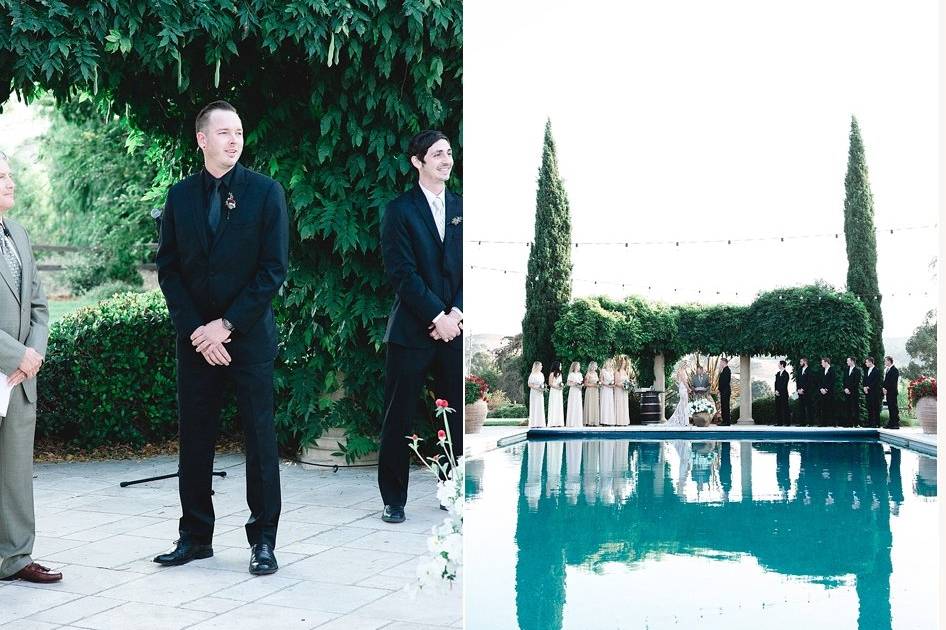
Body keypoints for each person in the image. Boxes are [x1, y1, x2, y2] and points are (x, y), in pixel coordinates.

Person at [154, 101, 289, 575]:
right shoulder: (180, 196)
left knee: (260, 440)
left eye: (239, 131)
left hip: (247, 340)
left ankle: (264, 541)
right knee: (195, 439)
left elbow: (273, 271)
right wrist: (197, 330)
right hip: (196, 343)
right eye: (224, 132)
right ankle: (194, 536)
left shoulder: (266, 193)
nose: (234, 139)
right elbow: (169, 270)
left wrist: (226, 326)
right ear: (202, 140)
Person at [377, 130, 462, 524]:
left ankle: (452, 489)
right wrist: (436, 316)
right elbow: (402, 273)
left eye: (449, 153)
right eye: (438, 154)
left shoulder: (464, 207)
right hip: (412, 331)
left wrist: (457, 312)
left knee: (454, 414)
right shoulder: (399, 210)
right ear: (417, 161)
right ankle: (393, 500)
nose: (446, 160)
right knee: (400, 415)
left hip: (456, 331)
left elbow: (467, 268)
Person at [0, 151, 57, 584]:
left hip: (20, 379)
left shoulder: (17, 233)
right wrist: (13, 354)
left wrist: (31, 355)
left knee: (15, 472)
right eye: (0, 176)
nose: (10, 181)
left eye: (10, 174)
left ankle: (16, 559)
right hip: (8, 363)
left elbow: (39, 304)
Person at [862, 357, 882, 428]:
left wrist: (868, 387)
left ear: (871, 362)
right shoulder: (867, 370)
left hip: (874, 392)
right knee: (869, 407)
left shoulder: (876, 370)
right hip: (867, 392)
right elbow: (864, 380)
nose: (866, 363)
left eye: (867, 362)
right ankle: (870, 423)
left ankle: (876, 423)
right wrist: (864, 387)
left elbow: (876, 381)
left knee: (875, 407)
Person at [842, 356, 862, 428]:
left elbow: (856, 382)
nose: (847, 362)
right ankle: (848, 423)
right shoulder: (846, 370)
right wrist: (845, 388)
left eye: (848, 361)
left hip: (854, 392)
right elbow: (844, 380)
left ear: (852, 361)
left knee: (855, 407)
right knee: (847, 407)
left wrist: (849, 389)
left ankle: (856, 423)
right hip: (846, 392)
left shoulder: (857, 370)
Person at [883, 356, 901, 429]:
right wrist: (884, 388)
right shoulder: (887, 370)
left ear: (889, 361)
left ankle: (895, 423)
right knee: (890, 407)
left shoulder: (895, 370)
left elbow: (893, 382)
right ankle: (891, 423)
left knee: (894, 407)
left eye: (885, 361)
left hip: (892, 392)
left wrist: (887, 389)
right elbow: (886, 381)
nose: (884, 362)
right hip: (888, 392)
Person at [795, 357, 814, 426]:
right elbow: (797, 381)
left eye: (801, 362)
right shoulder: (799, 370)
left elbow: (809, 382)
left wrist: (803, 389)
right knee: (801, 407)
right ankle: (802, 423)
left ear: (805, 362)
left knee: (809, 407)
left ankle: (810, 423)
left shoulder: (809, 370)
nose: (800, 363)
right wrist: (798, 389)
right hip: (800, 392)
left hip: (807, 392)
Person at [527, 361, 546, 428]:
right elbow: (529, 384)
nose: (542, 367)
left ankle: (540, 423)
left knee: (540, 406)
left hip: (540, 393)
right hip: (534, 392)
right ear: (537, 366)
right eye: (540, 365)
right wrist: (537, 388)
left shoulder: (541, 374)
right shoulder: (532, 374)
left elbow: (542, 383)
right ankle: (534, 423)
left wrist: (543, 388)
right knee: (534, 406)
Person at [613, 356, 631, 427]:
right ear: (620, 363)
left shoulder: (625, 372)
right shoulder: (617, 372)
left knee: (625, 405)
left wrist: (628, 385)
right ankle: (619, 422)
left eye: (625, 363)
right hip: (619, 390)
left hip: (624, 391)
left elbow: (627, 381)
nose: (624, 364)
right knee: (620, 405)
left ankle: (624, 421)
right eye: (623, 363)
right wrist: (622, 385)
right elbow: (616, 383)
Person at [565, 361, 584, 427]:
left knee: (578, 405)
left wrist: (580, 385)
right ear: (575, 366)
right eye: (578, 365)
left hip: (578, 391)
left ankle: (578, 422)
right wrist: (575, 384)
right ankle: (571, 423)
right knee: (572, 405)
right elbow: (568, 383)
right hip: (573, 391)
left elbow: (581, 382)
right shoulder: (571, 374)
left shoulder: (580, 374)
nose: (579, 367)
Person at [818, 357, 835, 426]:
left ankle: (833, 423)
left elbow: (832, 381)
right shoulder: (821, 370)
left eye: (822, 362)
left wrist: (826, 389)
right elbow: (819, 380)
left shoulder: (832, 370)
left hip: (829, 392)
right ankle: (823, 423)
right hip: (822, 392)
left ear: (826, 362)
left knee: (831, 407)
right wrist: (821, 389)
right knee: (823, 407)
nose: (821, 364)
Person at [546, 361, 565, 427]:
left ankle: (559, 422)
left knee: (558, 405)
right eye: (560, 365)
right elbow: (550, 383)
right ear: (557, 366)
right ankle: (552, 422)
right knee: (553, 405)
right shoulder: (552, 374)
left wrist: (561, 386)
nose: (561, 367)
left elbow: (560, 382)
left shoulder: (560, 374)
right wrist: (556, 387)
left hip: (559, 392)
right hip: (554, 391)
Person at [598, 359, 616, 425]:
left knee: (610, 404)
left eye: (611, 363)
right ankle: (604, 421)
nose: (611, 364)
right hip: (605, 389)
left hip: (610, 389)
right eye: (610, 362)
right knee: (605, 403)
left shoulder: (612, 371)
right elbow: (601, 381)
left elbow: (613, 380)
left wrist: (612, 384)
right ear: (607, 363)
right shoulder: (603, 371)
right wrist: (607, 385)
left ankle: (610, 421)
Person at [583, 361, 600, 426]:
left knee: (594, 405)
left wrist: (598, 385)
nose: (596, 367)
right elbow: (585, 384)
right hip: (590, 391)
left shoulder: (596, 373)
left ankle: (594, 421)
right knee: (590, 404)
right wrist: (593, 385)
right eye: (595, 366)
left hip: (595, 391)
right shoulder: (588, 374)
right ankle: (589, 421)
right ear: (592, 366)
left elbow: (597, 382)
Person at [774, 360, 790, 426]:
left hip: (784, 393)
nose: (778, 365)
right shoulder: (777, 373)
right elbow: (776, 383)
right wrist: (776, 390)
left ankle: (787, 422)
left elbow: (784, 384)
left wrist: (779, 391)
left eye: (779, 364)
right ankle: (779, 423)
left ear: (782, 365)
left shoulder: (786, 374)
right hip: (777, 393)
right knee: (778, 408)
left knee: (785, 408)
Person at [717, 357, 732, 426]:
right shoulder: (724, 370)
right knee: (723, 405)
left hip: (725, 391)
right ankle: (725, 421)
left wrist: (719, 389)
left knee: (725, 406)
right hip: (724, 391)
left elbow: (724, 382)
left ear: (724, 362)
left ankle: (726, 422)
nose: (720, 364)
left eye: (720, 362)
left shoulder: (727, 370)